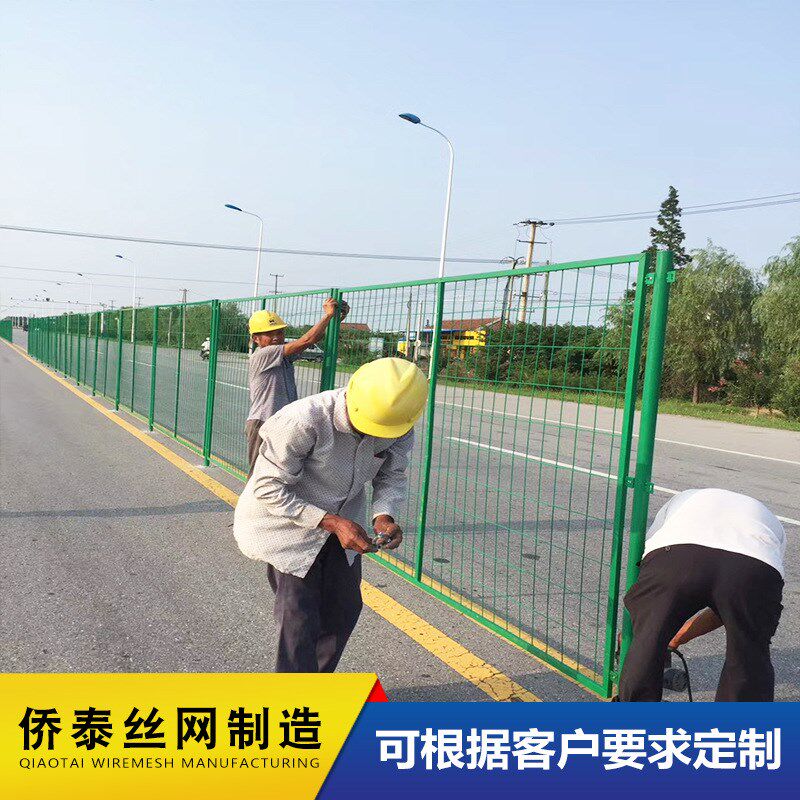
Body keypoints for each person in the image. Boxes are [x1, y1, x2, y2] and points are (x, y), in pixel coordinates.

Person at [233, 357, 428, 673]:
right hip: (287, 524)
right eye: (367, 425)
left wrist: (384, 516)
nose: (373, 434)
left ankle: (316, 684)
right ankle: (295, 697)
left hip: (344, 523)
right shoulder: (303, 421)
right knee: (298, 620)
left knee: (343, 610)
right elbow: (267, 488)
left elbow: (392, 474)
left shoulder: (398, 424)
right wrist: (332, 522)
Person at [619, 488, 785, 702]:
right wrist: (679, 636)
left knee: (648, 637)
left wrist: (650, 626)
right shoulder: (770, 522)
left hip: (676, 553)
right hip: (755, 563)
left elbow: (654, 565)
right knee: (749, 651)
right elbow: (734, 605)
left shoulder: (679, 503)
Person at [245, 298, 348, 476]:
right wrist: (328, 315)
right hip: (263, 421)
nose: (276, 337)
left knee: (281, 471)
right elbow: (306, 340)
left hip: (283, 421)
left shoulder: (282, 355)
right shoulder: (263, 354)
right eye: (269, 334)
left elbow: (314, 338)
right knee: (258, 474)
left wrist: (335, 320)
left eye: (279, 332)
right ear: (256, 339)